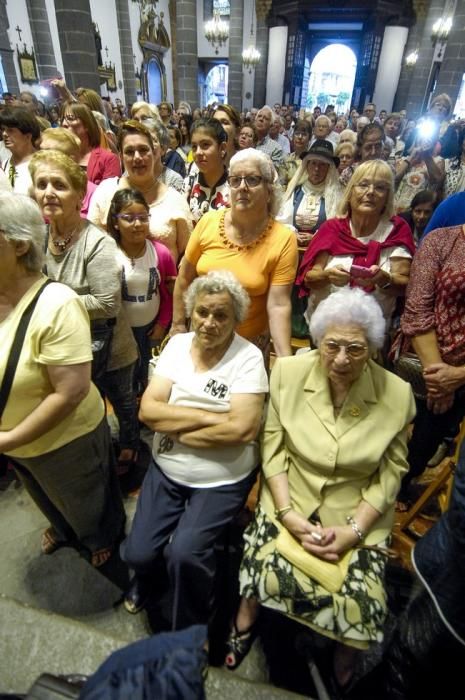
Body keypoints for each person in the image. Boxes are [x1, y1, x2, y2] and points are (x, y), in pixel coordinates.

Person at [224, 287, 415, 688]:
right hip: (290, 496)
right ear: (317, 338)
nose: (342, 359)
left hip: (356, 510)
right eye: (332, 346)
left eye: (356, 349)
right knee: (261, 573)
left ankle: (343, 662)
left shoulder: (396, 395)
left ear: (373, 348)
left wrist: (355, 530)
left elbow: (392, 472)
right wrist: (287, 513)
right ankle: (246, 615)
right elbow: (272, 449)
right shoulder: (289, 373)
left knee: (363, 606)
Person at [120, 271, 268, 627]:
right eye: (203, 312)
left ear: (236, 319)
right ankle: (147, 578)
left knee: (184, 554)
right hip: (168, 468)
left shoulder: (248, 358)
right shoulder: (176, 346)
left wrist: (178, 425)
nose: (209, 323)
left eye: (221, 315)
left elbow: (243, 428)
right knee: (138, 553)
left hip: (223, 477)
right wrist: (211, 418)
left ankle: (190, 619)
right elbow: (148, 410)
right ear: (192, 310)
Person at [0, 191, 125, 568]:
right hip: (17, 442)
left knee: (85, 497)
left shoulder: (57, 304)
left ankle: (100, 535)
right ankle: (65, 527)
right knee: (44, 494)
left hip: (64, 438)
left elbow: (70, 393)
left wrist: (8, 439)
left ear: (20, 245)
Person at [29, 149, 140, 476]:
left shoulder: (97, 243)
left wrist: (52, 301)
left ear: (80, 194)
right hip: (67, 347)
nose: (49, 192)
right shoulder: (42, 236)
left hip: (110, 348)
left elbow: (107, 304)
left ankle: (131, 446)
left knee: (123, 403)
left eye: (59, 185)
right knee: (85, 407)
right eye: (42, 184)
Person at [173, 148, 298, 360]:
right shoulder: (208, 222)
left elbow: (278, 304)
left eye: (252, 179)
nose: (242, 187)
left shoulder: (283, 238)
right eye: (235, 180)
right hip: (203, 336)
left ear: (269, 190)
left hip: (249, 346)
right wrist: (177, 326)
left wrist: (285, 361)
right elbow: (184, 278)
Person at [296, 160, 415, 328]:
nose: (371, 192)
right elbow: (310, 278)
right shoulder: (332, 228)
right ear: (350, 192)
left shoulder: (397, 231)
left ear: (388, 197)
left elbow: (406, 286)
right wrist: (327, 276)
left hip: (373, 333)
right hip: (324, 328)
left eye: (380, 187)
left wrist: (384, 279)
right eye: (363, 185)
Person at [396, 215, 465, 504]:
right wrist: (440, 376)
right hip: (428, 360)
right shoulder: (441, 241)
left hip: (460, 374)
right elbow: (417, 311)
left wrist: (459, 375)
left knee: (428, 440)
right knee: (409, 433)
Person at [88, 120, 192, 264]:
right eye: (129, 152)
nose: (137, 157)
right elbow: (91, 245)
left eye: (143, 150)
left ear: (154, 152)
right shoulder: (106, 192)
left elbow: (186, 254)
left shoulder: (175, 200)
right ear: (121, 156)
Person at [107, 188, 177, 393]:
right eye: (129, 218)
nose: (137, 224)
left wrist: (163, 324)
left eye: (143, 218)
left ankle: (147, 413)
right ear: (116, 222)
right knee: (125, 378)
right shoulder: (108, 253)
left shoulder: (161, 253)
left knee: (149, 375)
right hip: (120, 332)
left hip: (151, 330)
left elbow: (169, 293)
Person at [277, 139, 343, 247]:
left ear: (329, 169)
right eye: (313, 163)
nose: (317, 169)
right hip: (292, 245)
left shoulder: (335, 197)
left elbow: (338, 227)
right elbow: (281, 221)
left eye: (322, 165)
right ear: (307, 165)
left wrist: (316, 237)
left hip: (322, 248)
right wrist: (293, 234)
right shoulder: (295, 191)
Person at [39, 127, 97, 218]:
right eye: (40, 152)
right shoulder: (35, 189)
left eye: (49, 154)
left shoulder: (95, 194)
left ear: (70, 160)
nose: (39, 159)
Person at [182, 117, 231, 224]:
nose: (198, 152)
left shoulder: (234, 186)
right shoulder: (188, 184)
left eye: (205, 145)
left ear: (222, 148)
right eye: (194, 147)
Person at [61, 102, 121, 185]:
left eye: (70, 118)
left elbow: (109, 195)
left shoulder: (108, 159)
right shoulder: (60, 156)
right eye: (63, 119)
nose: (64, 124)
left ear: (87, 125)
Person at [0, 106, 39, 193]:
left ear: (28, 136)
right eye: (3, 129)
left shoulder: (41, 162)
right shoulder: (5, 164)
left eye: (10, 130)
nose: (4, 134)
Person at [278, 119, 313, 188]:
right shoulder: (287, 159)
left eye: (304, 134)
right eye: (297, 134)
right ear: (293, 136)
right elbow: (281, 184)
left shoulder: (312, 161)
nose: (300, 137)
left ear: (309, 138)